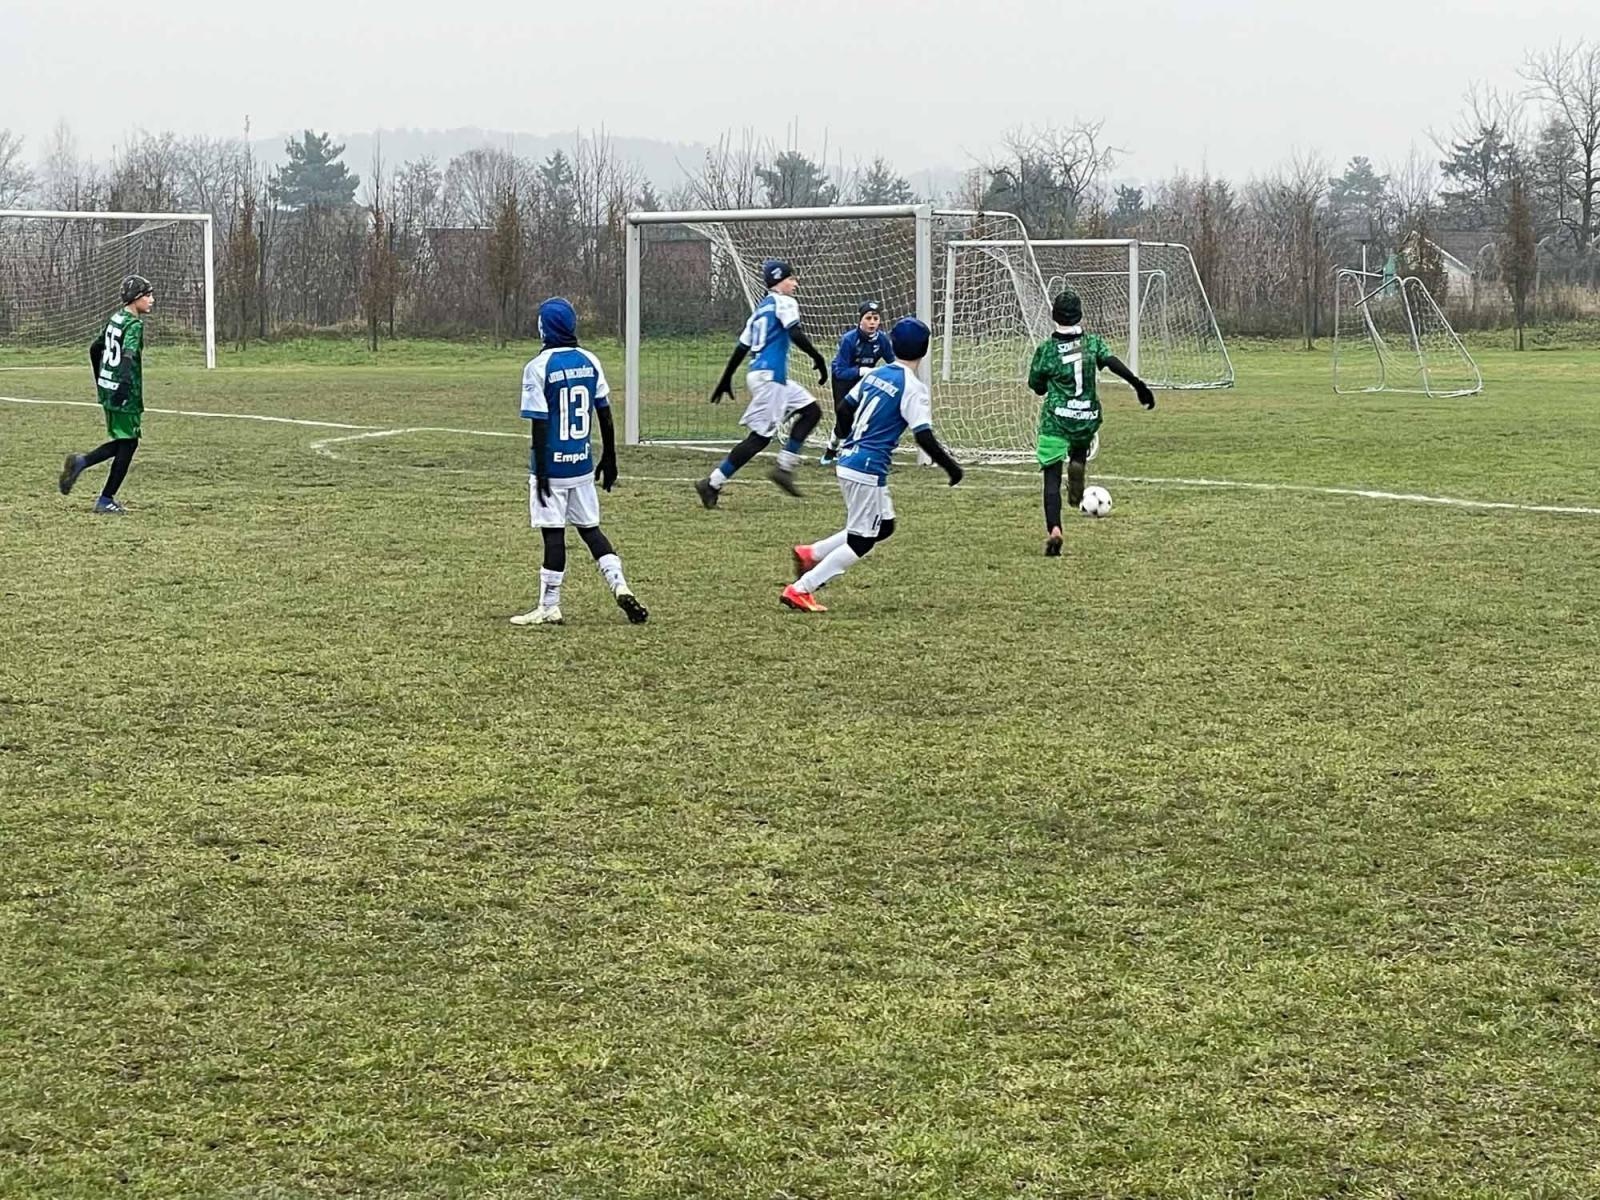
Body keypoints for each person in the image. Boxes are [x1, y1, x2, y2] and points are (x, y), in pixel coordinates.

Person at [782, 317, 962, 613]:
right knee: (861, 541)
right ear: (925, 350)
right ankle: (802, 588)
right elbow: (924, 437)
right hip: (866, 468)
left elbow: (843, 408)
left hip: (851, 460)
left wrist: (843, 439)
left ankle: (811, 553)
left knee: (884, 525)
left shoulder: (875, 374)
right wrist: (951, 467)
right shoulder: (912, 387)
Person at [511, 297, 648, 627]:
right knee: (591, 531)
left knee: (553, 535)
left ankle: (549, 605)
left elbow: (540, 422)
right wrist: (610, 455)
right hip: (582, 464)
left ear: (546, 327)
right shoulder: (590, 360)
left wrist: (542, 471)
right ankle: (621, 586)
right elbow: (604, 411)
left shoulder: (539, 367)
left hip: (553, 466)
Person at [1028, 290, 1155, 557]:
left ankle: (1055, 530)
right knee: (1078, 448)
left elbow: (1037, 386)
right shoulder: (1092, 344)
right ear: (1080, 315)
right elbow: (1112, 363)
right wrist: (1138, 385)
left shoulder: (1047, 351)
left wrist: (1047, 380)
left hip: (1057, 419)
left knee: (1051, 479)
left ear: (1054, 316)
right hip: (1086, 418)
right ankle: (1078, 462)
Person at [695, 258, 828, 507]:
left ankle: (784, 468)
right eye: (791, 279)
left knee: (811, 410)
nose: (795, 284)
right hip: (770, 377)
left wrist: (726, 378)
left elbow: (741, 347)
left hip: (760, 374)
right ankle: (711, 483)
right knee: (759, 438)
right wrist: (818, 357)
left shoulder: (761, 309)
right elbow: (795, 332)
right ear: (779, 281)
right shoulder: (785, 301)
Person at [58, 275, 155, 513]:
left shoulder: (116, 318)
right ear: (136, 299)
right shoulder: (133, 324)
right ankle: (105, 498)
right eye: (148, 295)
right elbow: (128, 354)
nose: (152, 300)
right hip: (124, 392)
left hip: (107, 387)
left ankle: (82, 464)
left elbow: (95, 348)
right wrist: (123, 384)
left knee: (124, 441)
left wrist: (100, 378)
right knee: (129, 443)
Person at [819, 299, 895, 466]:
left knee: (866, 416)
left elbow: (893, 362)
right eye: (868, 318)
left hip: (865, 381)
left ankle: (859, 451)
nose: (872, 322)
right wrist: (863, 370)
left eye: (876, 318)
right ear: (860, 320)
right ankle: (832, 448)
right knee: (843, 414)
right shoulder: (849, 339)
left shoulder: (882, 340)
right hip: (843, 380)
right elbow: (840, 370)